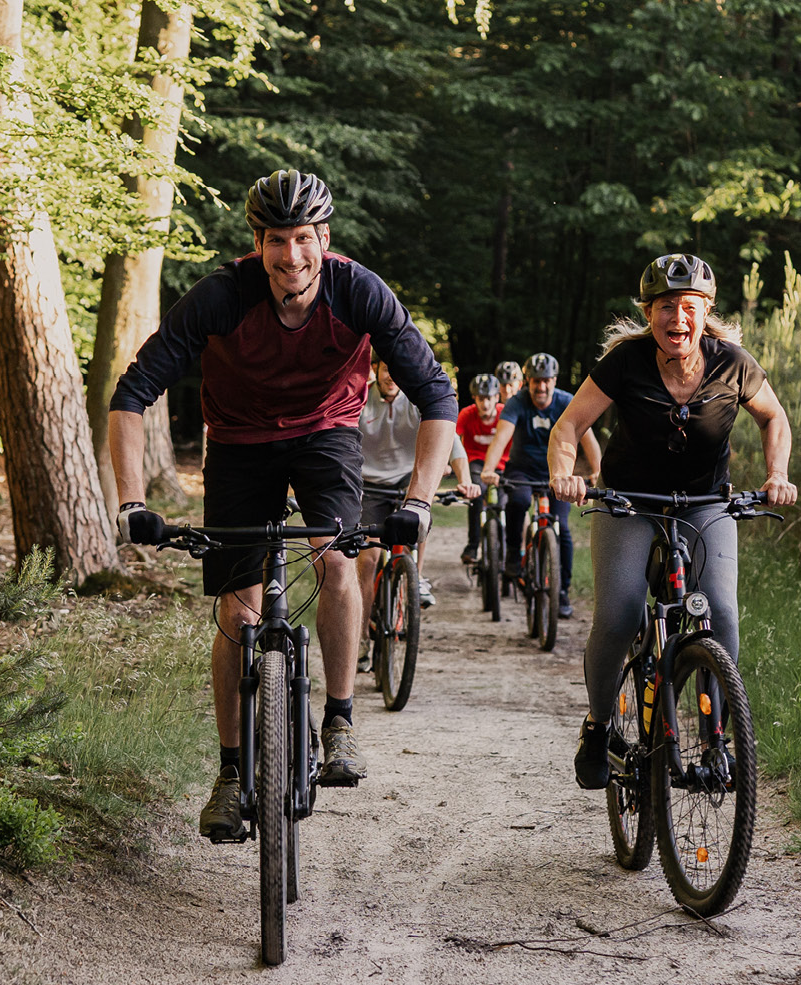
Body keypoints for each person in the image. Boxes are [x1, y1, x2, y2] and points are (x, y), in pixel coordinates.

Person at [107, 170, 458, 841]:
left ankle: (341, 721)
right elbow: (132, 393)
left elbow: (437, 398)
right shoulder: (220, 295)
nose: (290, 255)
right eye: (276, 240)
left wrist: (417, 500)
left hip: (326, 434)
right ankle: (231, 773)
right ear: (258, 244)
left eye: (303, 238)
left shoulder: (359, 292)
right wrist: (131, 503)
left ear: (324, 239)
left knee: (336, 557)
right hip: (238, 441)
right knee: (237, 608)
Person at [542, 254, 797, 789]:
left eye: (688, 307)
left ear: (706, 312)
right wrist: (565, 473)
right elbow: (569, 425)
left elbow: (774, 416)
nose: (676, 319)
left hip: (705, 504)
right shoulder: (626, 363)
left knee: (721, 612)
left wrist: (777, 473)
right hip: (630, 502)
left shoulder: (733, 363)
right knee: (619, 613)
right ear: (648, 312)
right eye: (664, 307)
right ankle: (598, 724)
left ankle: (714, 742)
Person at [358, 357, 478, 640]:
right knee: (368, 561)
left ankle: (415, 577)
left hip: (405, 481)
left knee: (417, 517)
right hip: (369, 484)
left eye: (396, 369)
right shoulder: (360, 397)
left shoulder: (416, 399)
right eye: (387, 368)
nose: (391, 376)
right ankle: (361, 636)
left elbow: (450, 440)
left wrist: (465, 481)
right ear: (376, 368)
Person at [481, 353, 600, 620]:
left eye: (546, 381)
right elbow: (502, 437)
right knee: (518, 501)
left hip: (558, 474)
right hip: (522, 470)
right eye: (536, 381)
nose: (541, 387)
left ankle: (562, 592)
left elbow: (588, 439)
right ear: (528, 381)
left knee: (563, 528)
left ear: (554, 381)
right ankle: (513, 554)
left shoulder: (566, 401)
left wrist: (598, 472)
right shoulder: (517, 402)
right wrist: (489, 469)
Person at [456, 373, 508, 565]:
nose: (485, 403)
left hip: (503, 464)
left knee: (507, 502)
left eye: (489, 398)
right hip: (476, 463)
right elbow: (452, 437)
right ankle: (472, 546)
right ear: (474, 399)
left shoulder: (505, 413)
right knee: (476, 496)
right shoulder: (467, 415)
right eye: (480, 398)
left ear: (497, 397)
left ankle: (508, 549)